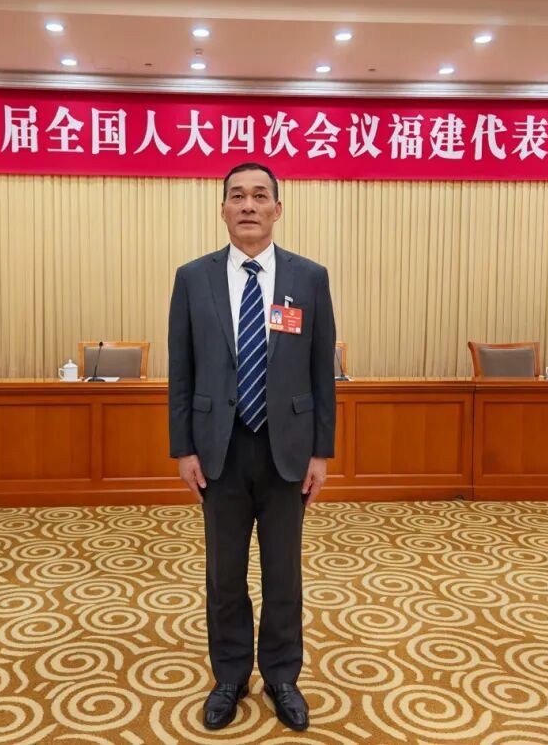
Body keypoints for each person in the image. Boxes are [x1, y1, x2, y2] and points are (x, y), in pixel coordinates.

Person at [167, 162, 337, 732]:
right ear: (222, 209)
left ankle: (283, 676)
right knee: (225, 574)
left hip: (287, 449)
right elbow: (182, 371)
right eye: (237, 196)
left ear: (277, 209)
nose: (248, 205)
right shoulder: (193, 278)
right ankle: (230, 675)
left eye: (260, 196)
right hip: (219, 449)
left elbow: (321, 372)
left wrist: (321, 452)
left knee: (283, 573)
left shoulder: (309, 278)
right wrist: (183, 449)